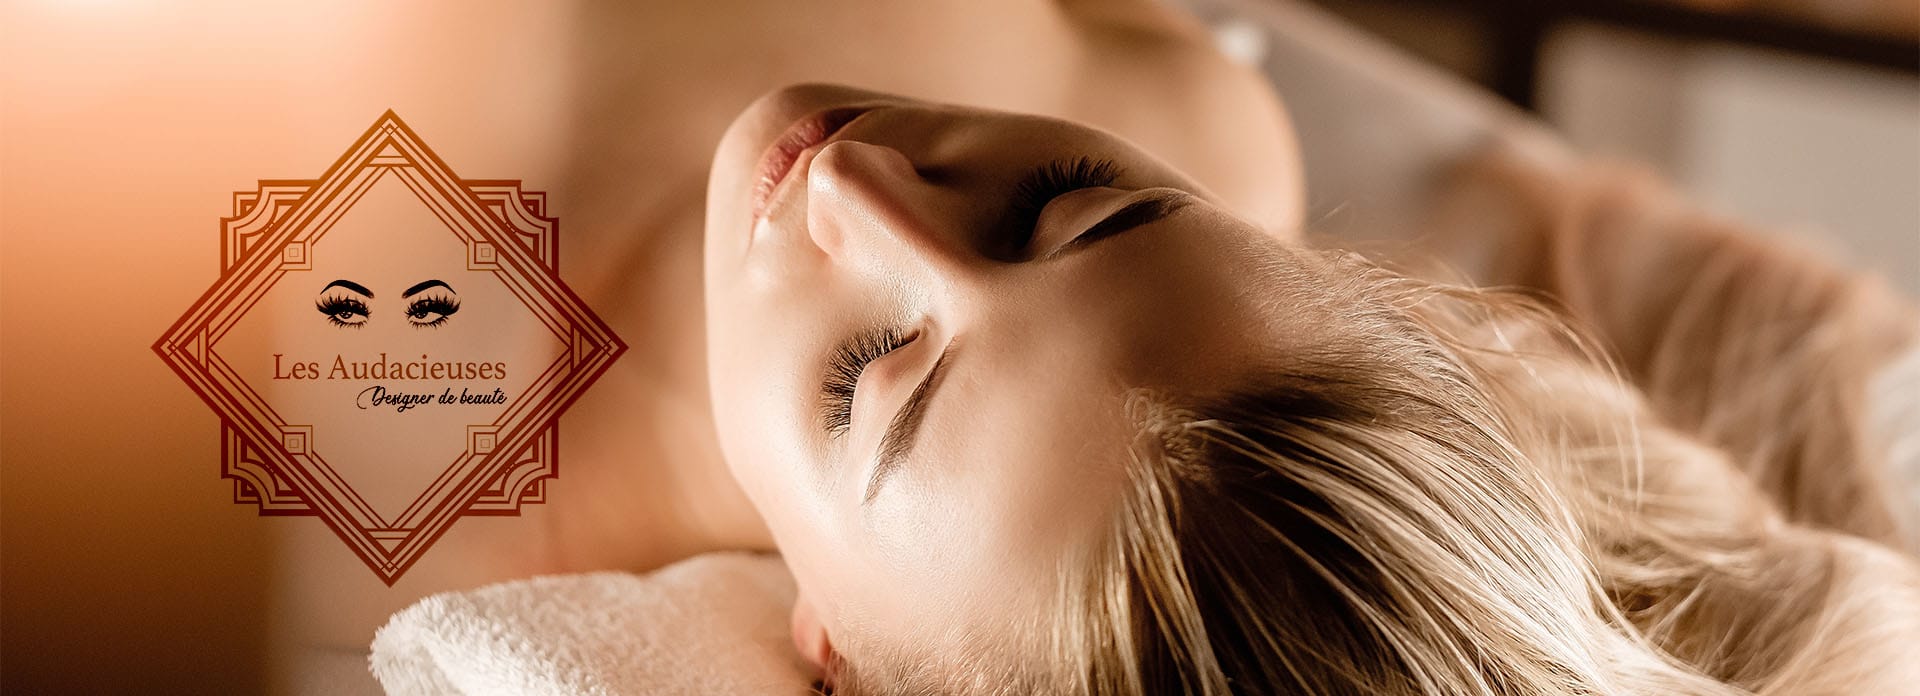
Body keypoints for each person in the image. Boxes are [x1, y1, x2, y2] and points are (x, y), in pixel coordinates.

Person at [699, 81, 1920, 694]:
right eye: (1067, 199)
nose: (852, 179)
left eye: (860, 380)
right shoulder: (1202, 112)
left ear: (840, 665)